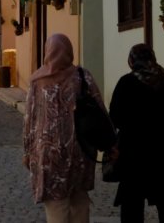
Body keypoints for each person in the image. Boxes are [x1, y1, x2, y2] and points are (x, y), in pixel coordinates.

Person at [23, 33, 103, 222]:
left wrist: (27, 151)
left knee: (56, 203)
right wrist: (109, 144)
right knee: (79, 199)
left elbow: (30, 119)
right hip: (80, 149)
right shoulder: (83, 77)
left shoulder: (37, 81)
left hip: (49, 152)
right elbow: (99, 110)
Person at [109, 43, 164, 223]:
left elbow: (115, 117)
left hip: (134, 156)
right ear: (153, 58)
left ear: (131, 61)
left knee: (132, 209)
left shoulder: (126, 83)